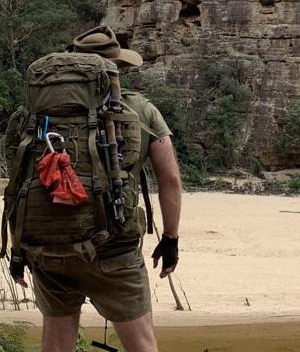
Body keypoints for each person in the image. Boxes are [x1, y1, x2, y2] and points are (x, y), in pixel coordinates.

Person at [10, 25, 182, 352]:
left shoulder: (36, 115)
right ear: (116, 67)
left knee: (57, 343)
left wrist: (18, 251)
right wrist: (170, 239)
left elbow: (18, 177)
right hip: (114, 249)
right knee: (142, 345)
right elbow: (169, 178)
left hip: (50, 246)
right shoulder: (140, 109)